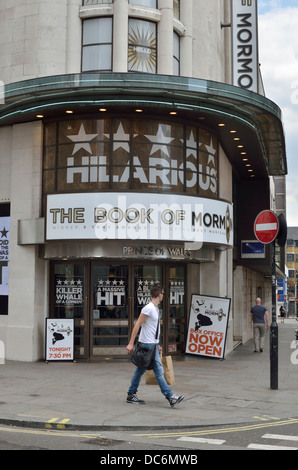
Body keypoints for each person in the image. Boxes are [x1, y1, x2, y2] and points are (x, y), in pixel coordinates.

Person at [126, 283, 184, 408]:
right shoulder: (148, 308)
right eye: (163, 293)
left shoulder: (155, 309)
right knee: (158, 371)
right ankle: (170, 396)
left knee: (140, 370)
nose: (163, 295)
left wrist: (157, 344)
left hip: (152, 345)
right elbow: (137, 325)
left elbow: (152, 329)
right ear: (159, 294)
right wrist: (131, 343)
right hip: (146, 346)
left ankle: (131, 394)